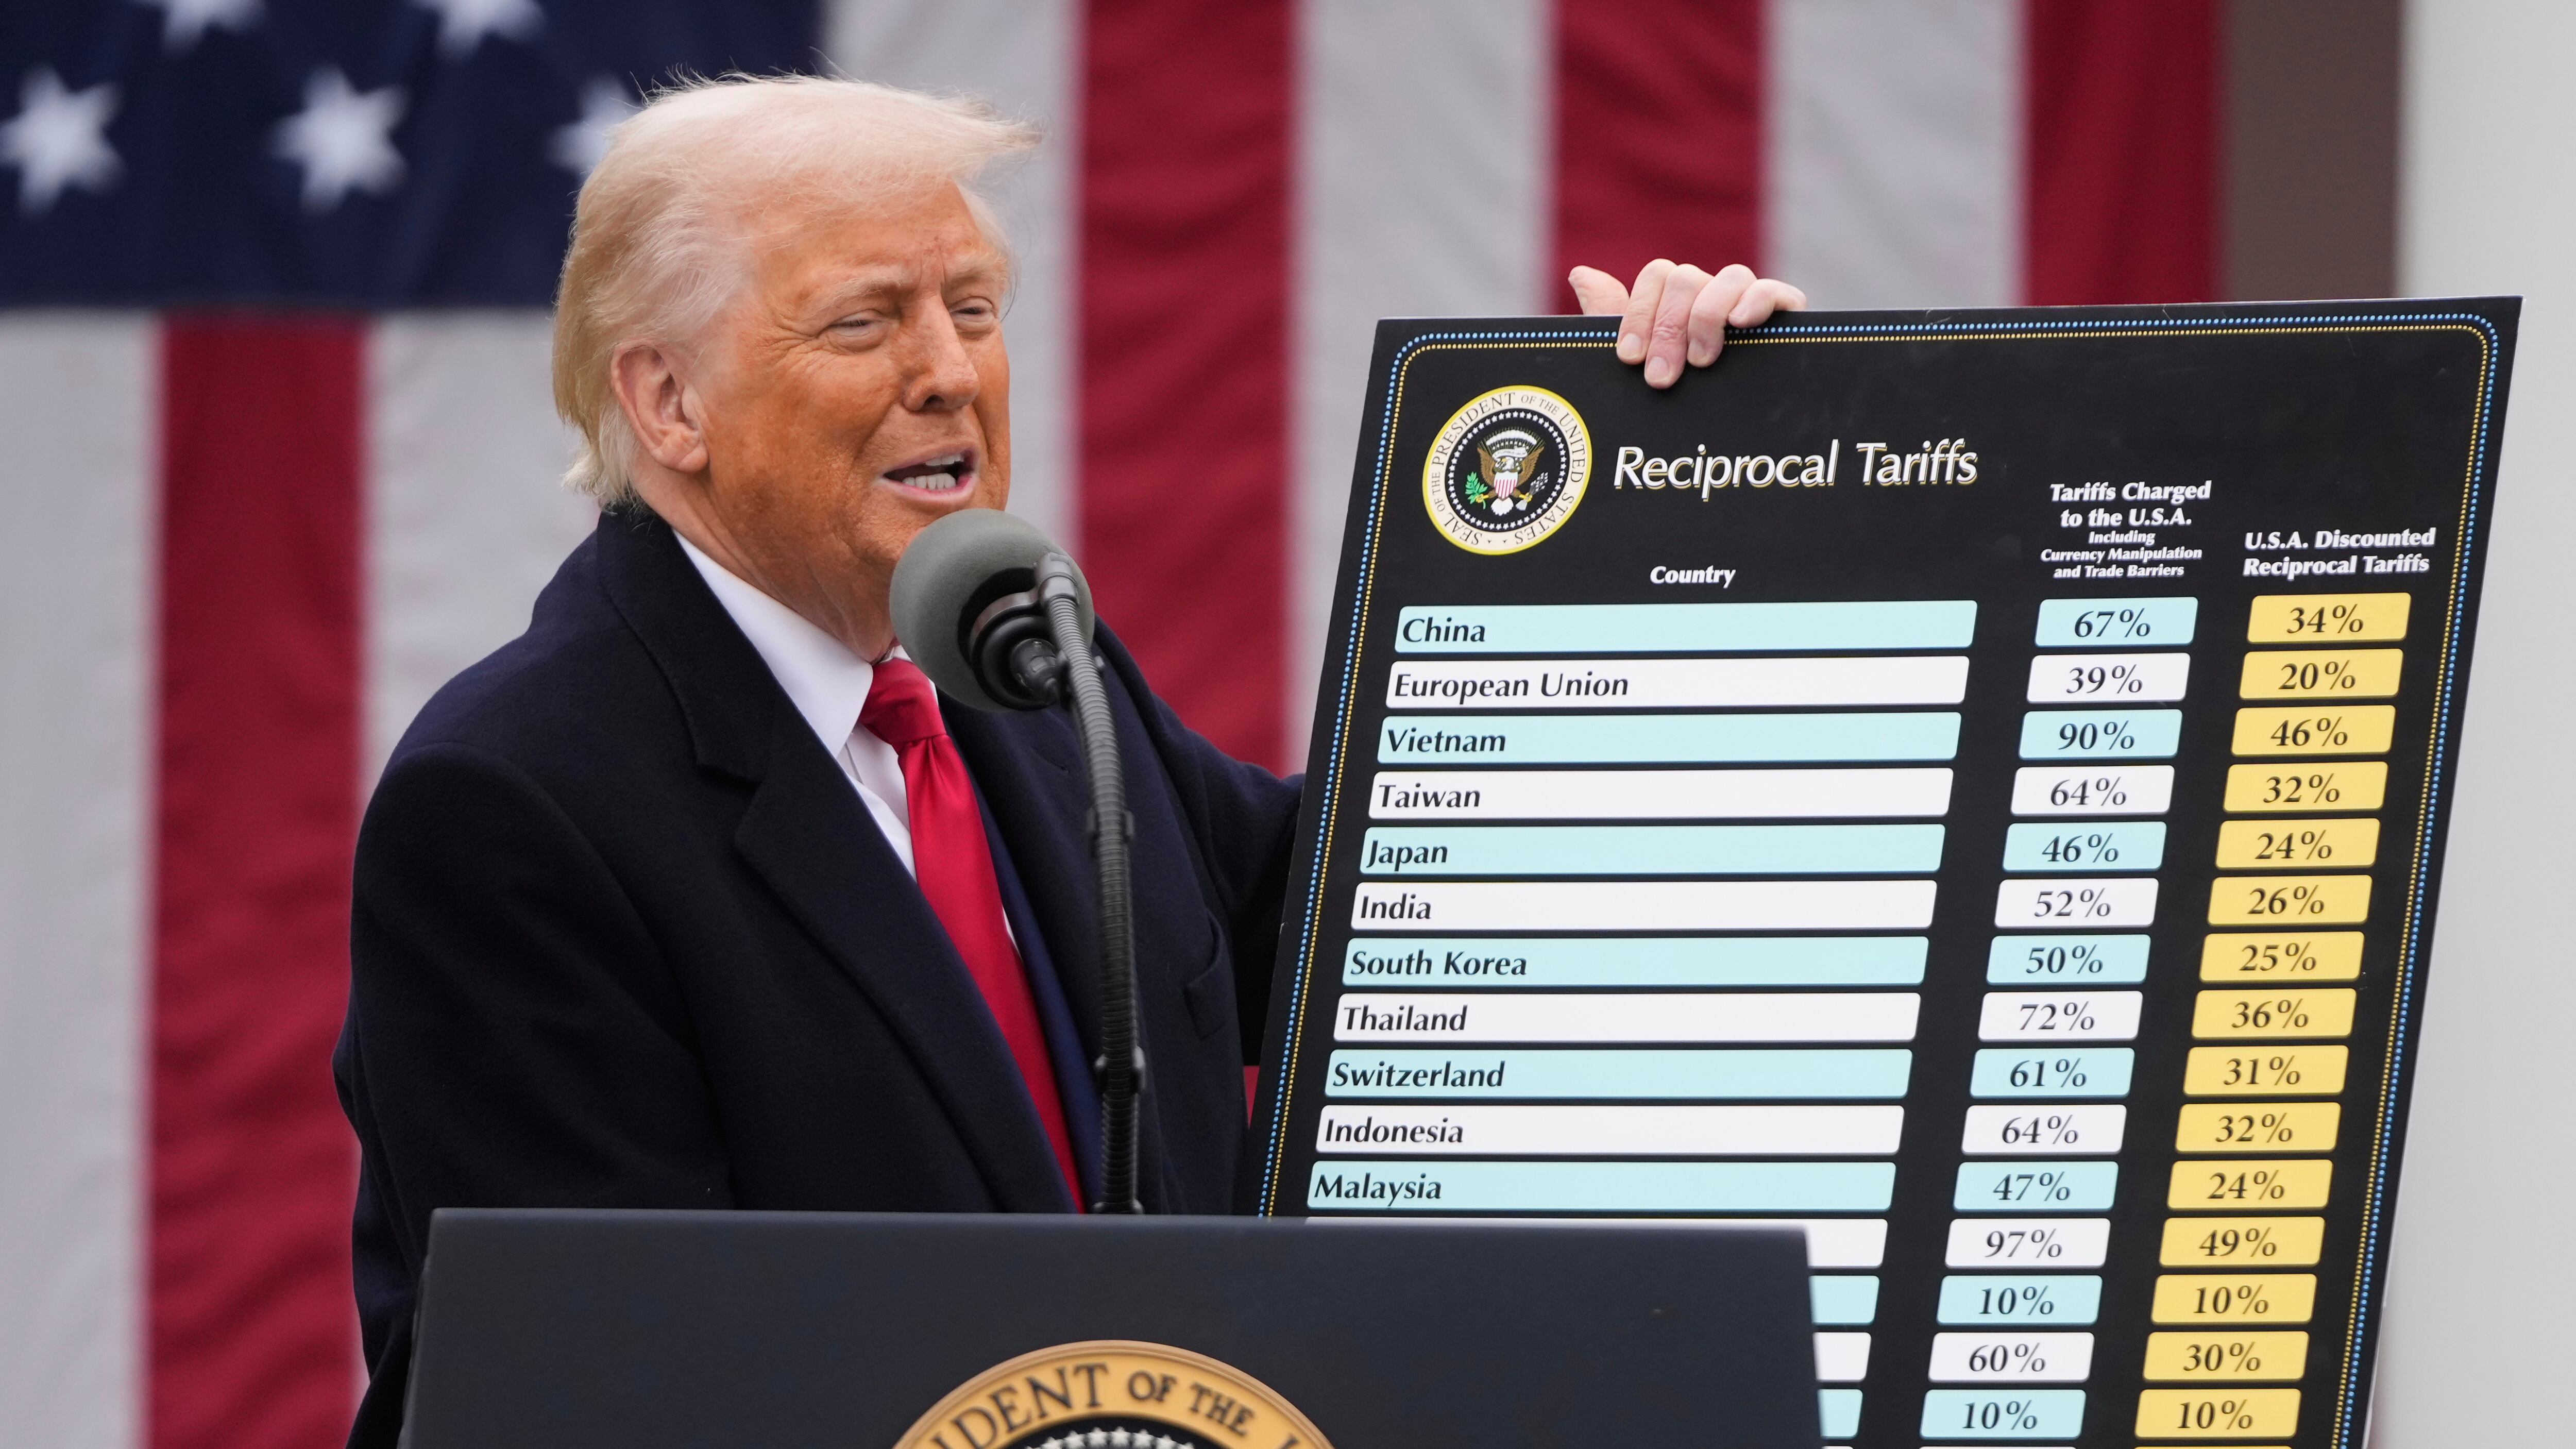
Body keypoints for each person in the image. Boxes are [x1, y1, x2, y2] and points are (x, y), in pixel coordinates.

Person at [332, 73, 1805, 1447]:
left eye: (973, 307)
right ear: (667, 403)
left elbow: (1391, 927)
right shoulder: (516, 802)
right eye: (865, 322)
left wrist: (1682, 487)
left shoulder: (1031, 675)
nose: (950, 371)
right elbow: (619, 1382)